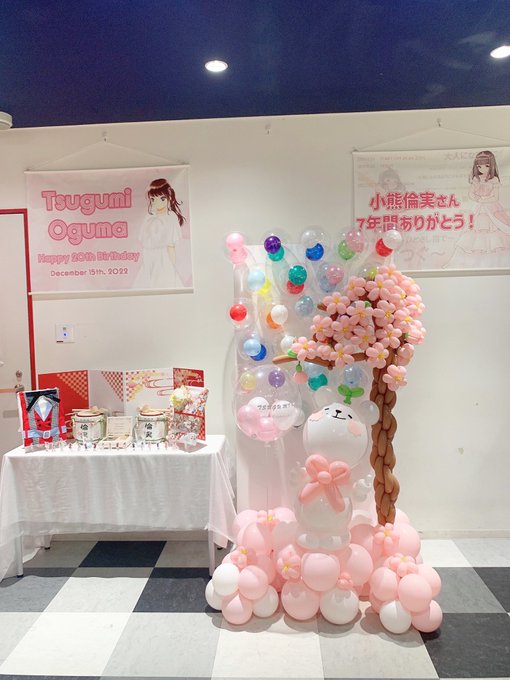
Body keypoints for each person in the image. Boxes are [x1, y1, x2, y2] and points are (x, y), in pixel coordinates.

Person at [448, 150, 510, 267]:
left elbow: (495, 197)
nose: (482, 169)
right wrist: (477, 198)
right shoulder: (476, 179)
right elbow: (471, 193)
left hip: (491, 207)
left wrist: (483, 200)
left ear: (491, 166)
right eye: (479, 166)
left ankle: (496, 263)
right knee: (475, 232)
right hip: (478, 208)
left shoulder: (494, 180)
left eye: (486, 166)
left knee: (495, 231)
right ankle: (476, 264)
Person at [134, 178, 186, 288]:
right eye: (153, 199)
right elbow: (143, 239)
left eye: (162, 199)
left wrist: (172, 265)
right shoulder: (149, 216)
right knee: (145, 283)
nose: (157, 203)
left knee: (163, 282)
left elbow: (171, 245)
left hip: (163, 257)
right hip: (148, 257)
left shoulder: (171, 217)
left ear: (169, 197)